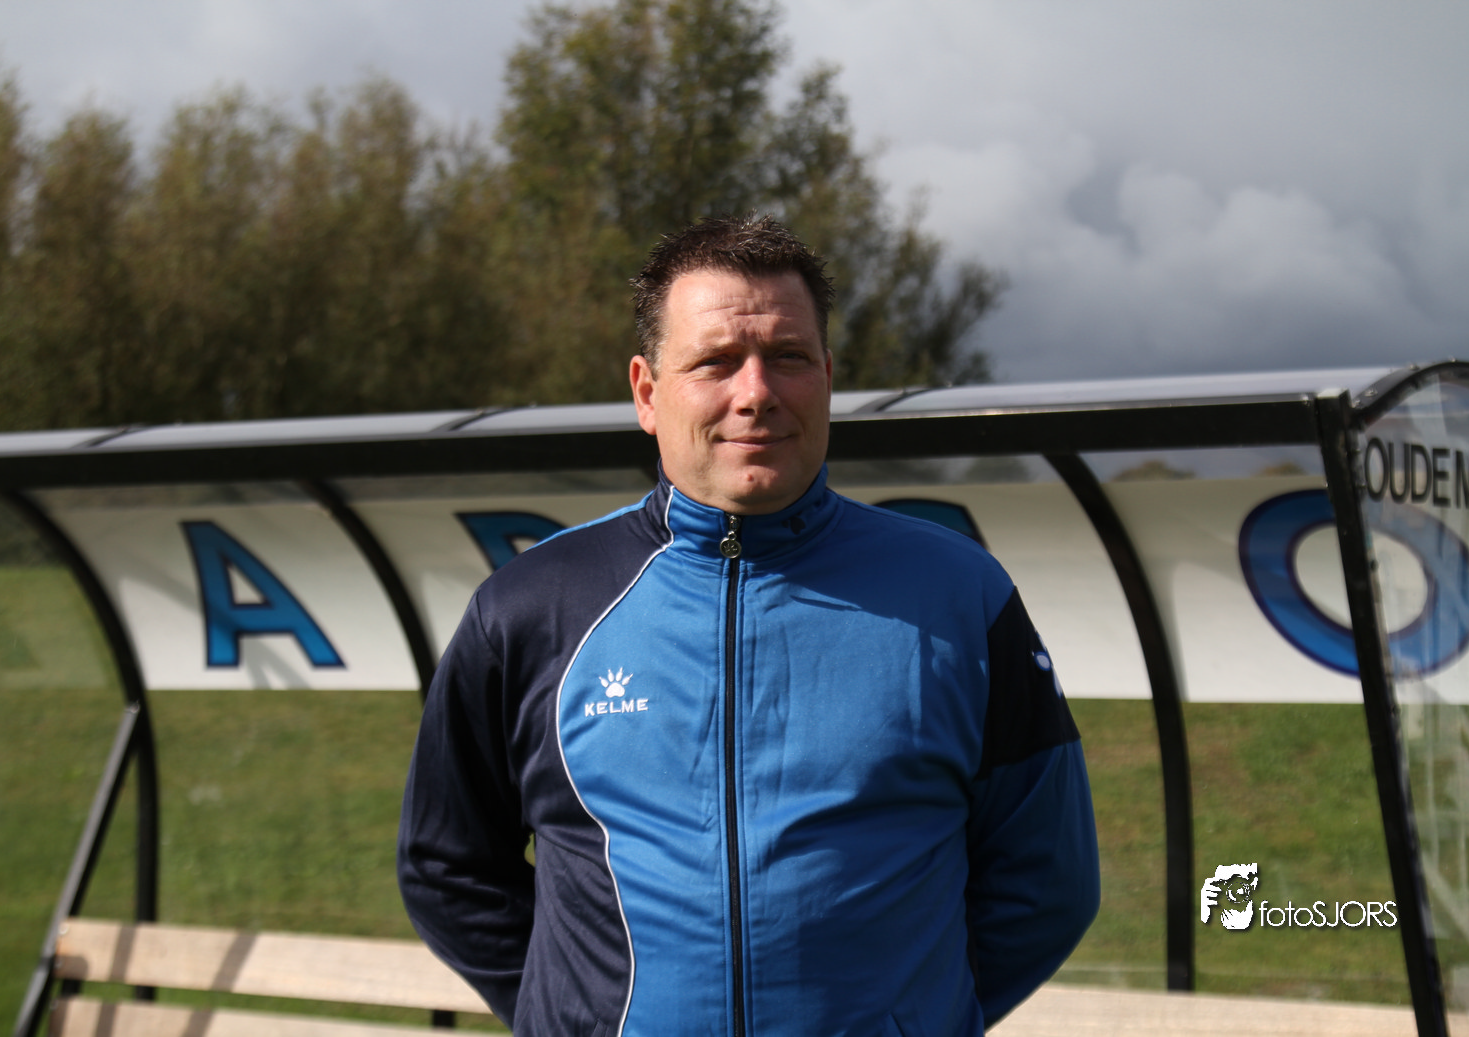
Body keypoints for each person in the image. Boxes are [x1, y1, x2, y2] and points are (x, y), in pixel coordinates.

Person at [398, 214, 1100, 1036]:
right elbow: (447, 863)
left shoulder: (960, 598)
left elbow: (1046, 881)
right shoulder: (530, 606)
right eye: (715, 361)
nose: (756, 392)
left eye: (788, 357)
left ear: (827, 377)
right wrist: (570, 1014)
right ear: (647, 392)